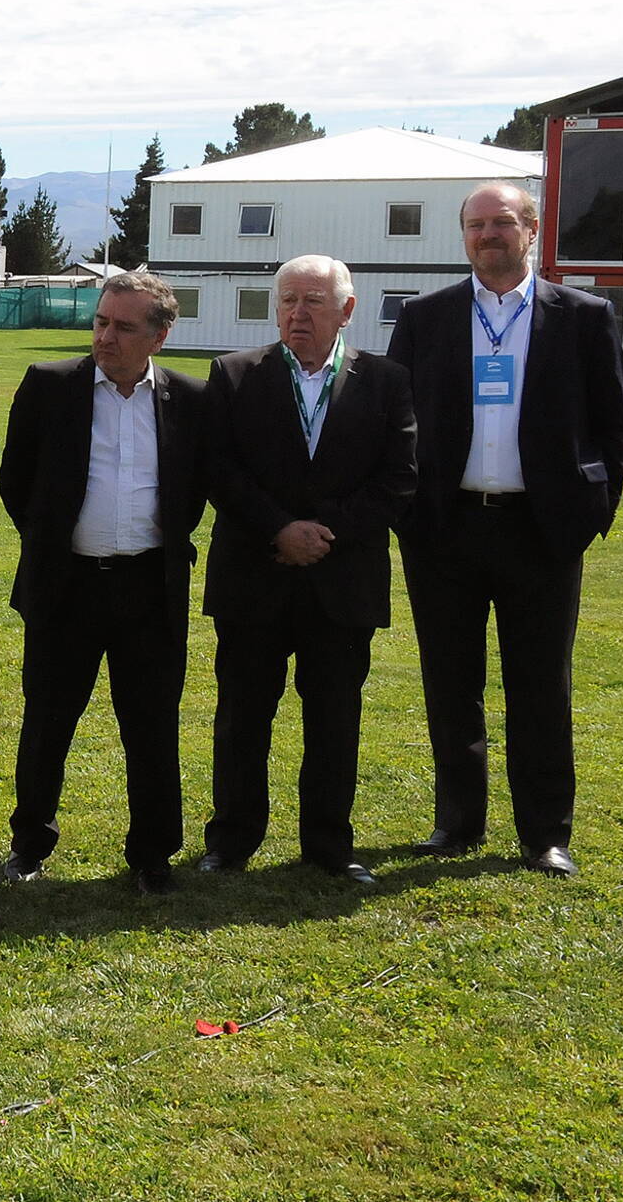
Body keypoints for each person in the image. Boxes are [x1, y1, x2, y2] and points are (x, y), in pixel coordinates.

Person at [386, 181, 623, 878]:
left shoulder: (583, 316)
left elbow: (614, 429)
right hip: (445, 528)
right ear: (463, 236)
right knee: (450, 682)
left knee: (540, 686)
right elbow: (395, 421)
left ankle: (545, 833)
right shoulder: (425, 316)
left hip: (542, 531)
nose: (488, 234)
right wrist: (409, 515)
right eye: (476, 225)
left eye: (501, 223)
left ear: (531, 229)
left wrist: (589, 516)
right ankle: (457, 822)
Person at [198, 255, 415, 885]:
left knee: (334, 718)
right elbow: (218, 468)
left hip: (342, 582)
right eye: (288, 300)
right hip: (254, 576)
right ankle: (231, 840)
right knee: (242, 715)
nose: (298, 312)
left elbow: (399, 478)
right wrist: (278, 530)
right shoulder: (235, 375)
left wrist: (324, 534)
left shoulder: (386, 380)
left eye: (314, 301)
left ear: (347, 310)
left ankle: (329, 845)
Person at [0, 271, 205, 895]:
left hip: (149, 588)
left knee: (151, 724)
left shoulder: (189, 399)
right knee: (48, 721)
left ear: (160, 335)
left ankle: (152, 856)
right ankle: (29, 843)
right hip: (68, 586)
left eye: (124, 327)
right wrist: (52, 544)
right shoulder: (50, 385)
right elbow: (17, 482)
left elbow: (194, 487)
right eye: (100, 322)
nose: (105, 338)